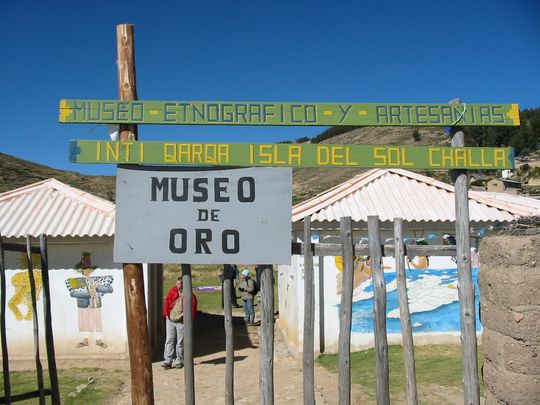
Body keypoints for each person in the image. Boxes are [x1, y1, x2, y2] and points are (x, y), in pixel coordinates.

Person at [162, 277, 197, 369]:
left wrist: (188, 319)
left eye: (179, 284)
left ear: (183, 284)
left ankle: (179, 360)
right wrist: (166, 314)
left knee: (180, 342)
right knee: (169, 340)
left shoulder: (189, 294)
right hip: (170, 319)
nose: (177, 285)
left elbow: (192, 306)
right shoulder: (173, 290)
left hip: (181, 321)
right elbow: (167, 301)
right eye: (176, 283)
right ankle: (167, 360)